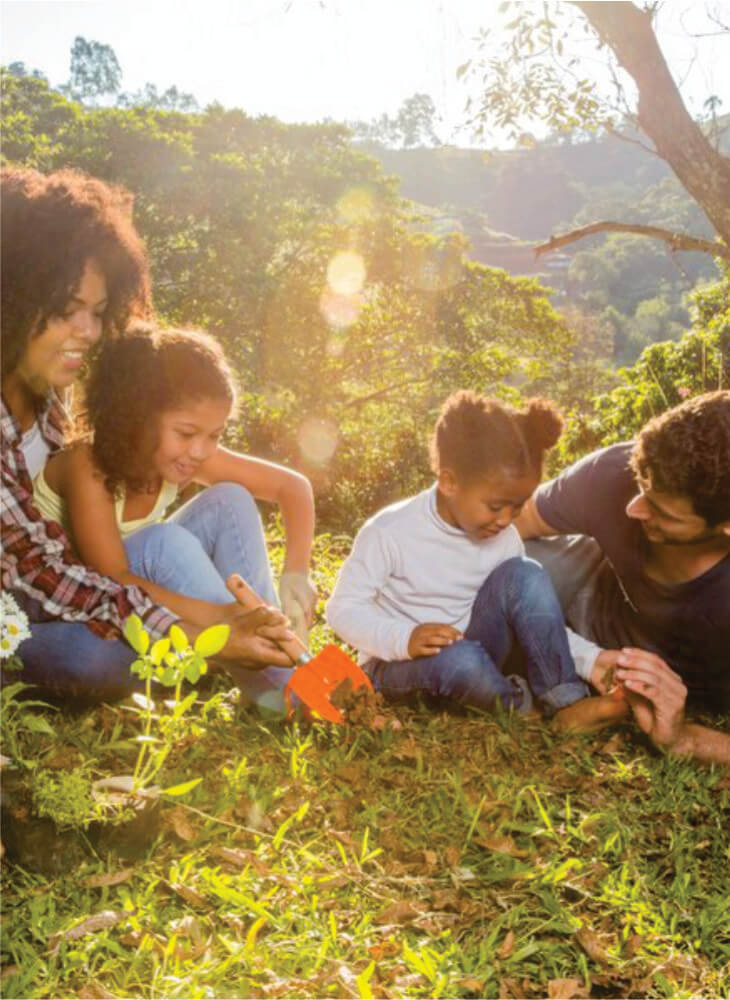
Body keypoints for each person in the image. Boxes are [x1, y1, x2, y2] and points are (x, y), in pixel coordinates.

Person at [1, 165, 295, 705]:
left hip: (87, 590)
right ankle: (269, 676)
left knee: (216, 513)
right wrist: (210, 630)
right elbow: (48, 578)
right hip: (25, 614)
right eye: (68, 311)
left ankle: (275, 664)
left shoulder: (50, 395)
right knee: (95, 656)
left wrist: (229, 621)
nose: (88, 332)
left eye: (98, 312)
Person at [327, 390, 626, 727]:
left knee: (526, 575)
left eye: (518, 506)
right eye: (496, 506)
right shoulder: (389, 532)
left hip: (475, 646)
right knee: (463, 663)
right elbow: (342, 610)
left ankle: (566, 700)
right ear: (449, 482)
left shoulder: (504, 539)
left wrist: (593, 660)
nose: (506, 519)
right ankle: (519, 707)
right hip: (397, 665)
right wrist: (405, 639)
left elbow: (537, 617)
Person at [34, 324, 317, 659]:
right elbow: (112, 578)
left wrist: (297, 572)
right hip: (75, 601)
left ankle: (275, 640)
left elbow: (292, 487)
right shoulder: (87, 465)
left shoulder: (186, 458)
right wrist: (223, 619)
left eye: (214, 435)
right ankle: (276, 675)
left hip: (144, 592)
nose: (200, 451)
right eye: (186, 433)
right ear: (137, 419)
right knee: (163, 543)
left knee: (231, 500)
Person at [516, 391, 730, 765]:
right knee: (499, 567)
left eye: (662, 511)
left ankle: (576, 692)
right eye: (640, 486)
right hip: (589, 591)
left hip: (676, 676)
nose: (633, 508)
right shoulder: (616, 471)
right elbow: (513, 519)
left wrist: (682, 739)